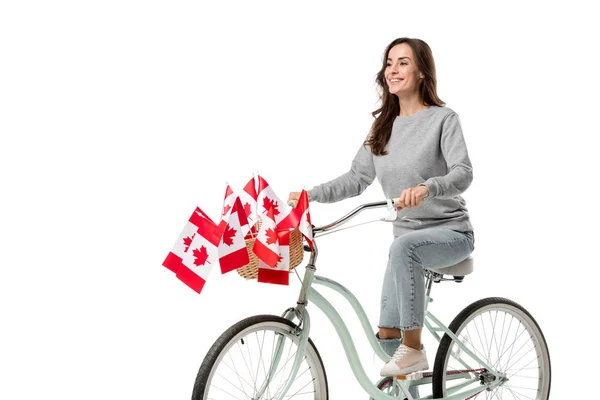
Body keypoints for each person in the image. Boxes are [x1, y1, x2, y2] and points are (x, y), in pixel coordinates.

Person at [288, 37, 475, 379]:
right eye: (389, 63)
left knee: (402, 247)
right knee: (387, 333)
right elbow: (356, 178)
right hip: (405, 245)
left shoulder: (443, 119)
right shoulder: (382, 128)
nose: (393, 69)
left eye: (403, 62)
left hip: (451, 233)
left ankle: (415, 349)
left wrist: (427, 187)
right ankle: (409, 382)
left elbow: (463, 173)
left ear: (421, 72)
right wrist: (309, 194)